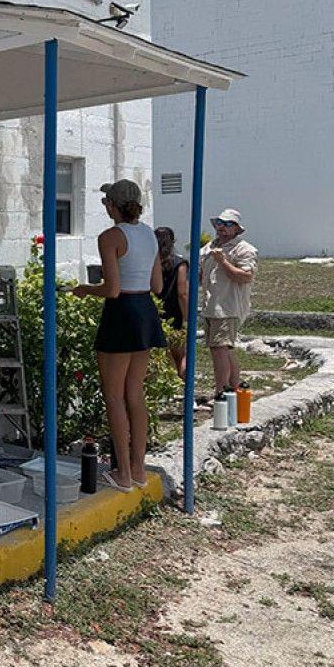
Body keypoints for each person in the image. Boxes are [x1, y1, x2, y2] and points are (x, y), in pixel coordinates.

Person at [72, 180, 166, 492]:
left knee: (114, 396)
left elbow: (111, 289)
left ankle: (123, 473)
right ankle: (138, 469)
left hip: (121, 312)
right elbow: (158, 287)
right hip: (145, 310)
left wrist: (85, 290)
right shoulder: (150, 235)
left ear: (112, 205)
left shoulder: (110, 237)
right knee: (135, 394)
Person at [199, 209, 257, 392]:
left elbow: (246, 276)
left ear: (236, 229)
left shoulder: (243, 249)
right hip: (211, 305)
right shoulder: (208, 248)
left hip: (227, 306)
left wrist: (223, 262)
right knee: (225, 349)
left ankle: (220, 393)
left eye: (228, 224)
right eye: (219, 223)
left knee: (220, 349)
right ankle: (233, 387)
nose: (222, 227)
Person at [155, 226, 190, 378]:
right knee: (180, 355)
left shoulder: (150, 262)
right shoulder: (180, 264)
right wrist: (188, 315)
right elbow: (182, 292)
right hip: (174, 314)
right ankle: (182, 386)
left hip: (154, 311)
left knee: (160, 355)